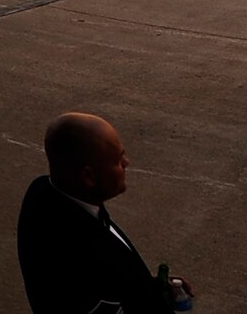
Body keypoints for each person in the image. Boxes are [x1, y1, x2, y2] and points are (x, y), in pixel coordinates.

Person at [17, 112, 190, 314]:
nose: (126, 162)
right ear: (88, 176)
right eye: (117, 160)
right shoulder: (77, 257)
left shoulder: (47, 192)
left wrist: (148, 287)